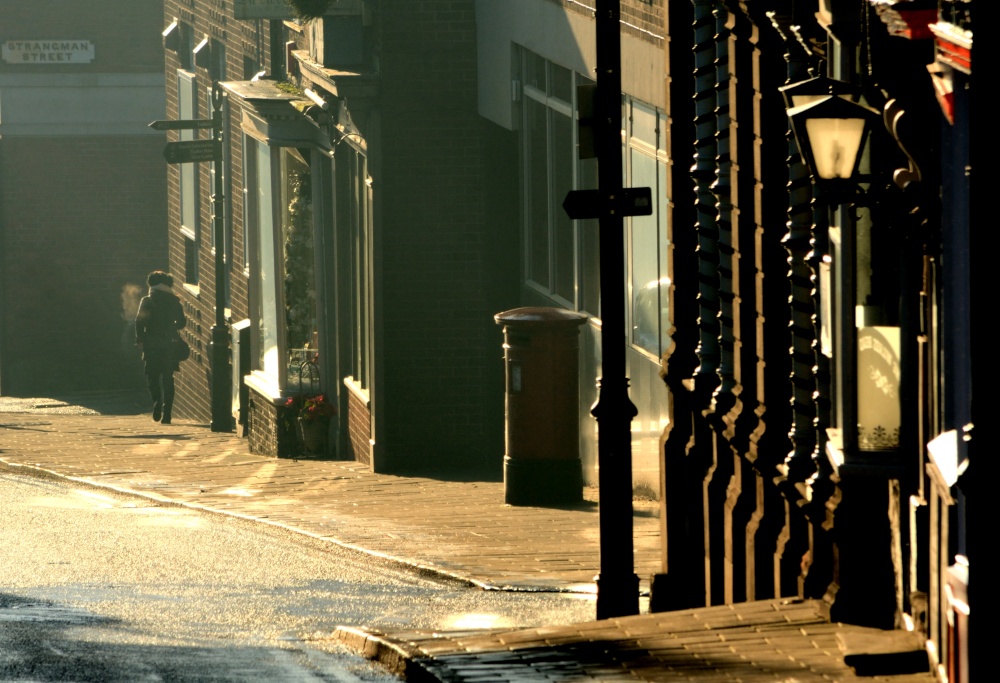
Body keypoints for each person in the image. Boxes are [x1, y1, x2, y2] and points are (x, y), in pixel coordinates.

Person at [135, 271, 186, 424]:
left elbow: (139, 322)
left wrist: (141, 338)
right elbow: (182, 323)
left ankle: (157, 402)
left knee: (152, 376)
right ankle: (167, 413)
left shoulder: (147, 301)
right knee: (168, 378)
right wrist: (172, 326)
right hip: (169, 344)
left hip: (151, 344)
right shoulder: (174, 301)